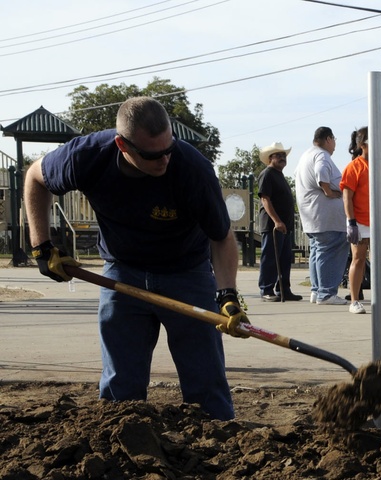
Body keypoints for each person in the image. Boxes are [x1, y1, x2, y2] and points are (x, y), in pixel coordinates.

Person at [24, 96, 248, 420]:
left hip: (186, 271)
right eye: (153, 155)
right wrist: (41, 246)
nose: (164, 161)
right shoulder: (86, 156)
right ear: (122, 145)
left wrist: (227, 295)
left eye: (168, 149)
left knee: (206, 379)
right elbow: (34, 177)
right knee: (120, 386)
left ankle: (220, 444)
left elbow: (222, 238)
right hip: (122, 270)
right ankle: (117, 444)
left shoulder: (192, 168)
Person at [339, 126, 381, 315]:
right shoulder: (353, 168)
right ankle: (355, 300)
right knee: (358, 258)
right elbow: (346, 197)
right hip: (360, 221)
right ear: (362, 145)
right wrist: (351, 222)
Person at [294, 127, 350, 306]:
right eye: (333, 139)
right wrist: (328, 190)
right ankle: (326, 293)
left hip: (311, 215)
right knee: (331, 251)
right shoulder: (322, 155)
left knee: (317, 251)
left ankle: (317, 290)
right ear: (327, 139)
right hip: (326, 217)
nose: (334, 144)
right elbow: (321, 171)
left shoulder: (305, 155)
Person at [257, 140, 301, 301]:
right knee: (270, 257)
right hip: (273, 226)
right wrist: (276, 221)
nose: (282, 158)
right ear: (270, 158)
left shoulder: (279, 175)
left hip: (285, 226)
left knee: (284, 259)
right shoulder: (267, 174)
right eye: (278, 155)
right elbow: (265, 199)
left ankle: (284, 288)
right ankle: (266, 289)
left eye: (284, 155)